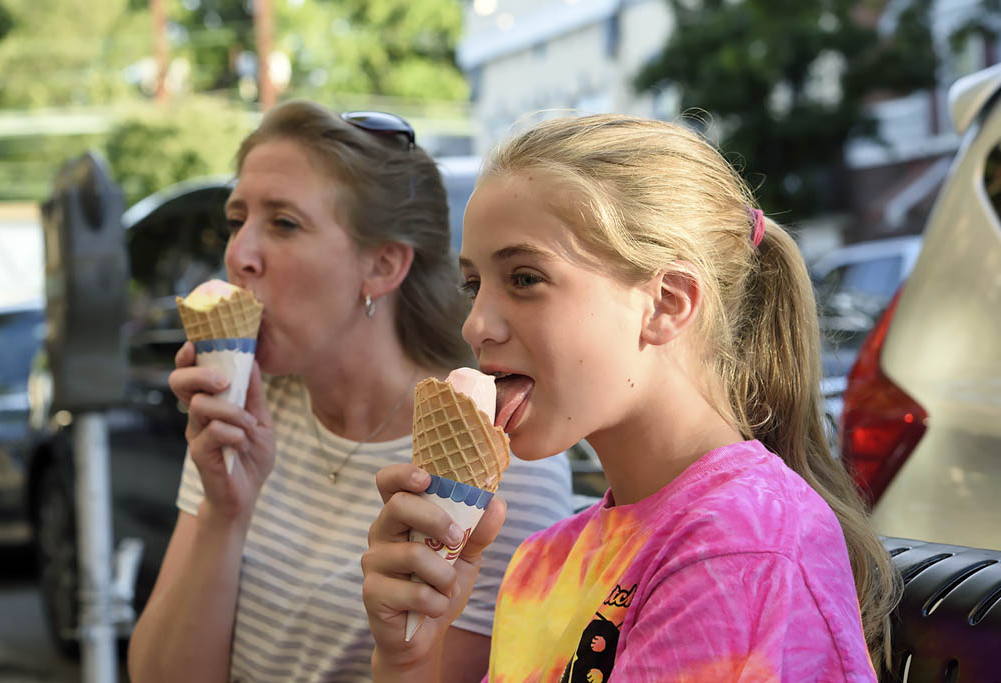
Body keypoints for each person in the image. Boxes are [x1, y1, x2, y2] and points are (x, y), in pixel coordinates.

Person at [361, 113, 901, 681]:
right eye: (473, 285)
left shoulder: (739, 550)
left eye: (524, 278)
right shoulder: (546, 560)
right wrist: (410, 656)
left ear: (667, 303)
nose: (475, 326)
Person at [126, 101, 574, 683]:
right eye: (238, 221)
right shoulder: (247, 414)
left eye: (283, 223)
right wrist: (222, 511)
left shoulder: (501, 461)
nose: (239, 256)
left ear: (383, 265)